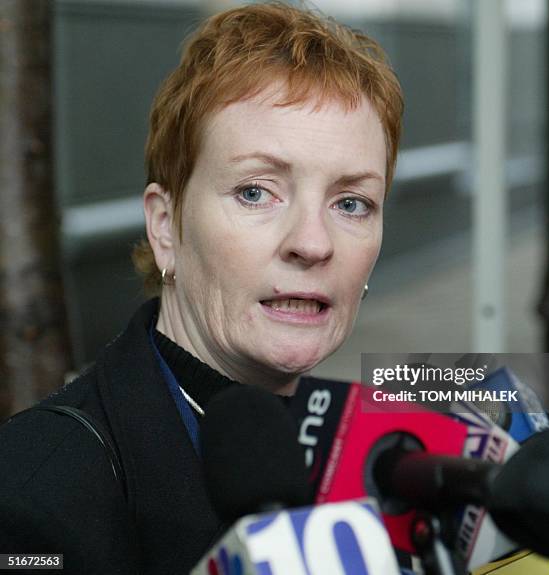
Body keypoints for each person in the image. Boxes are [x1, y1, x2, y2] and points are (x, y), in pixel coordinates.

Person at [0, 2, 403, 573]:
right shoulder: (35, 493)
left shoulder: (371, 462)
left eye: (351, 203)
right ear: (166, 226)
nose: (313, 243)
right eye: (256, 192)